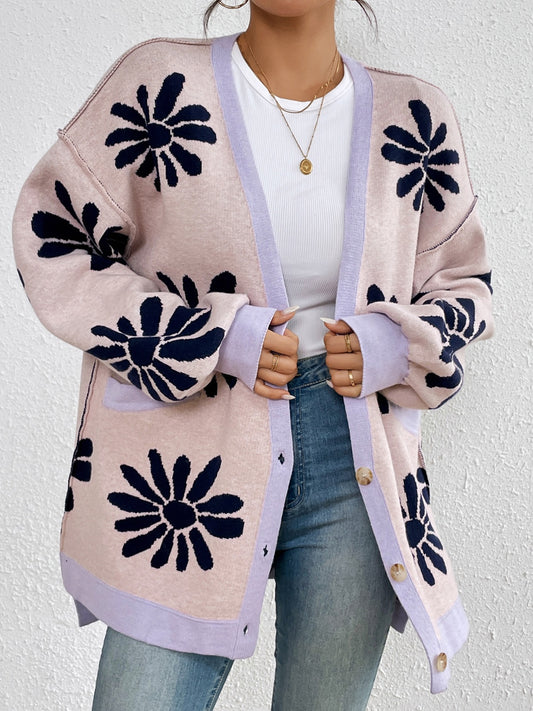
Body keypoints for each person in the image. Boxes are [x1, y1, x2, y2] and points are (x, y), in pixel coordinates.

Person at [12, 1, 493, 709]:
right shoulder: (159, 85)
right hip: (182, 473)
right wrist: (205, 337)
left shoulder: (412, 114)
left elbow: (466, 284)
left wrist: (393, 344)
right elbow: (49, 239)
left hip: (352, 461)